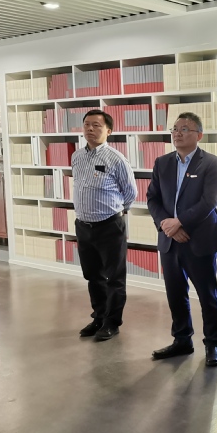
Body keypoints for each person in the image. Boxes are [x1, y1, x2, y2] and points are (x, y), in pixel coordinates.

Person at [147, 112, 217, 367]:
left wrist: (179, 222)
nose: (177, 133)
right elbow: (152, 198)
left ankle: (212, 343)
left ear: (198, 135)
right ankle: (182, 339)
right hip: (170, 240)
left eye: (184, 129)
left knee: (207, 295)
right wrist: (166, 224)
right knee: (175, 293)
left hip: (199, 239)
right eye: (174, 129)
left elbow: (209, 201)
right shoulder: (162, 163)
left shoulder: (211, 163)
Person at [73, 109, 137, 341]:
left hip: (109, 225)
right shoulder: (77, 157)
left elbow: (131, 193)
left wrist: (116, 211)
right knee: (93, 276)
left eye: (96, 125)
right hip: (83, 225)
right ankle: (99, 317)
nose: (90, 129)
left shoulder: (116, 159)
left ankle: (112, 322)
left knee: (114, 278)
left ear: (108, 131)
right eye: (87, 124)